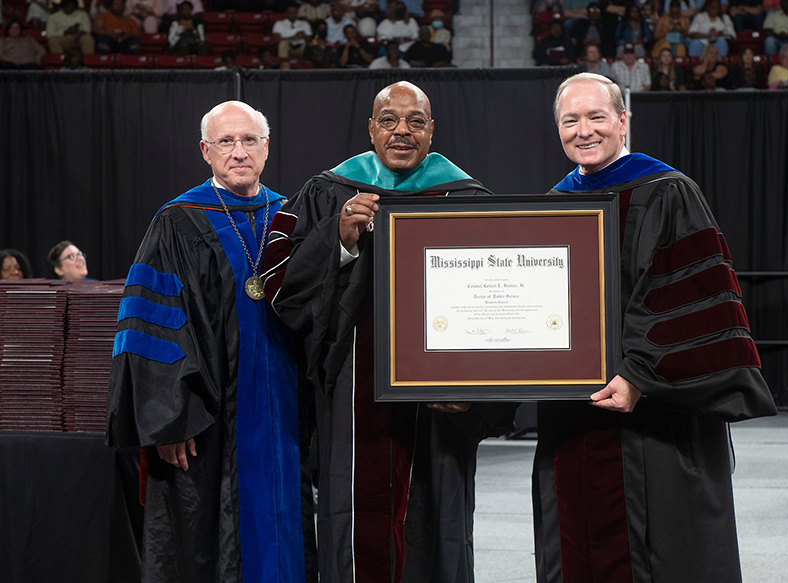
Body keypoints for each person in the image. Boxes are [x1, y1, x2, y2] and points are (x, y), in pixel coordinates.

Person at [260, 81, 516, 583]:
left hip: (440, 401)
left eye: (415, 121)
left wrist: (478, 388)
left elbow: (499, 303)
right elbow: (276, 283)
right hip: (354, 395)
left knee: (436, 513)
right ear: (371, 129)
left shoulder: (464, 197)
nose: (402, 131)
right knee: (355, 514)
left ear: (432, 131)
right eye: (390, 120)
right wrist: (336, 240)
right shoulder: (330, 193)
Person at [535, 71, 777, 583]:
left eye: (597, 117)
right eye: (570, 120)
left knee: (664, 549)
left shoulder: (668, 192)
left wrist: (640, 374)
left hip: (656, 417)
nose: (584, 131)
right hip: (575, 412)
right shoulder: (555, 202)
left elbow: (688, 294)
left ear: (623, 121)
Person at [106, 100, 313, 583]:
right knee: (199, 535)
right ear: (205, 150)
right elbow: (149, 325)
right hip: (206, 418)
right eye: (226, 141)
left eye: (249, 141)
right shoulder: (178, 222)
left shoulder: (290, 217)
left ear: (266, 147)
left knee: (285, 521)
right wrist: (167, 419)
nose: (238, 152)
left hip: (282, 408)